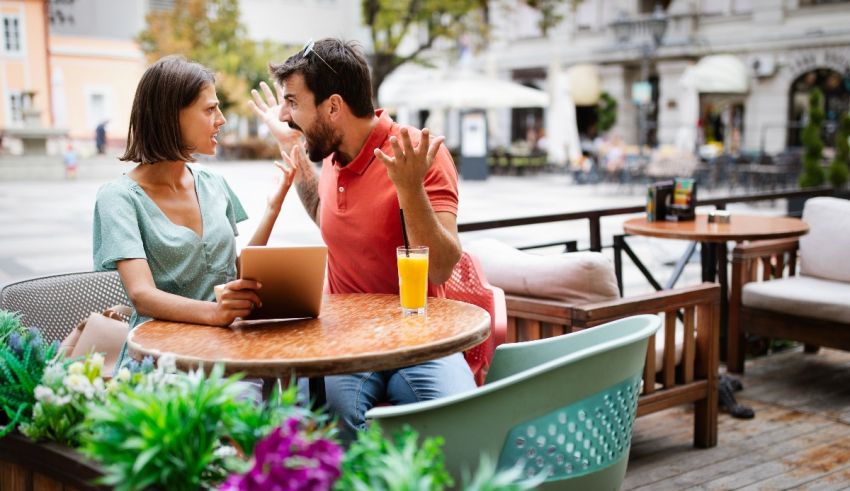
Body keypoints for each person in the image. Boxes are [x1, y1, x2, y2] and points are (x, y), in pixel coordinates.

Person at [250, 38, 475, 442]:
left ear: (333, 106)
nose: (284, 115)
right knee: (315, 431)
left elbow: (441, 265)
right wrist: (293, 149)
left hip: (421, 338)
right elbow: (325, 215)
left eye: (293, 102)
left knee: (463, 428)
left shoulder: (415, 153)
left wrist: (409, 188)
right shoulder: (332, 156)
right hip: (345, 341)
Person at [93, 55, 295, 371]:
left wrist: (273, 208)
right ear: (171, 115)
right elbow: (142, 295)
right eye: (210, 109)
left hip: (227, 351)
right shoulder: (118, 199)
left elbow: (235, 273)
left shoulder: (214, 183)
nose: (222, 119)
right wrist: (214, 313)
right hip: (158, 361)